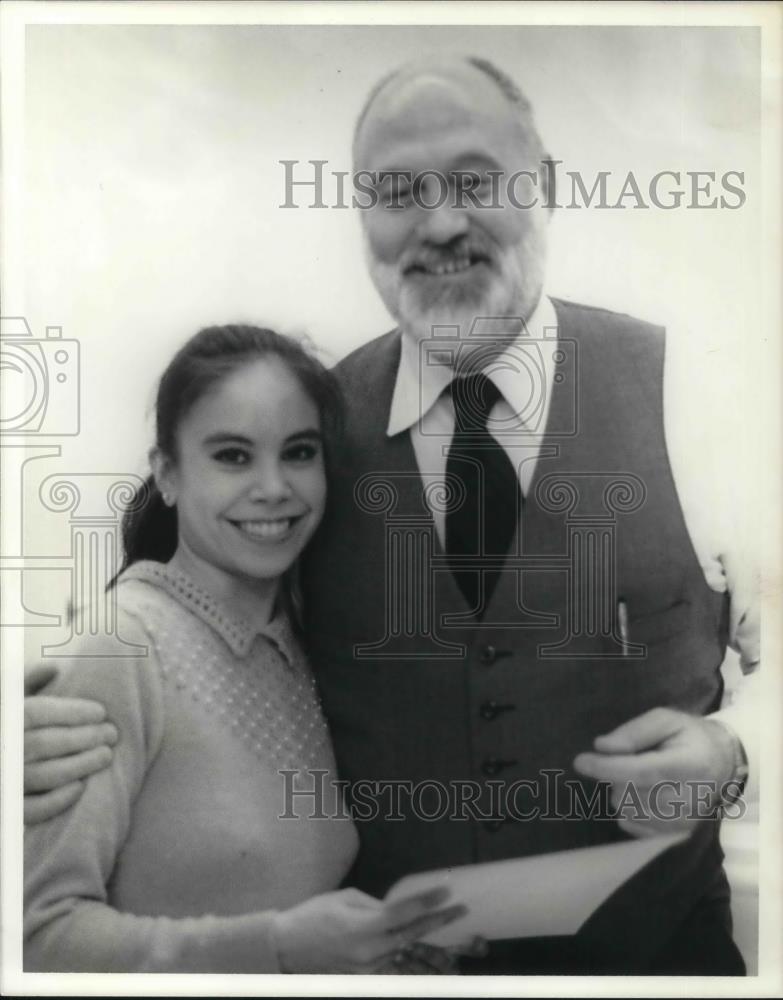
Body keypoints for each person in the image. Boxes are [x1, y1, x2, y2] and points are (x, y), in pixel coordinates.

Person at [24, 57, 758, 974]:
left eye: (476, 180)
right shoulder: (311, 434)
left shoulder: (706, 389)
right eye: (398, 191)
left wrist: (735, 749)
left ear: (550, 187)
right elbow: (196, 626)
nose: (440, 222)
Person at [23, 324, 467, 973]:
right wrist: (279, 947)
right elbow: (36, 941)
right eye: (232, 456)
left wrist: (380, 952)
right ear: (168, 474)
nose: (273, 488)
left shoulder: (310, 647)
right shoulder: (119, 647)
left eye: (298, 452)